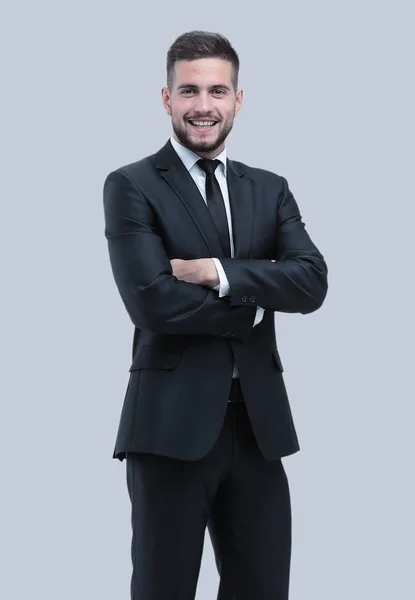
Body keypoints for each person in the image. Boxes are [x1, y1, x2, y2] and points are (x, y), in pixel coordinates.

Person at [103, 29, 328, 600]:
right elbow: (151, 301)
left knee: (263, 590)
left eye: (217, 91)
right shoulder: (131, 185)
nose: (204, 107)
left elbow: (311, 282)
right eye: (190, 91)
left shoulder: (269, 189)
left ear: (238, 99)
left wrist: (216, 272)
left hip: (258, 428)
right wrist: (254, 302)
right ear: (166, 98)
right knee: (163, 589)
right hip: (169, 428)